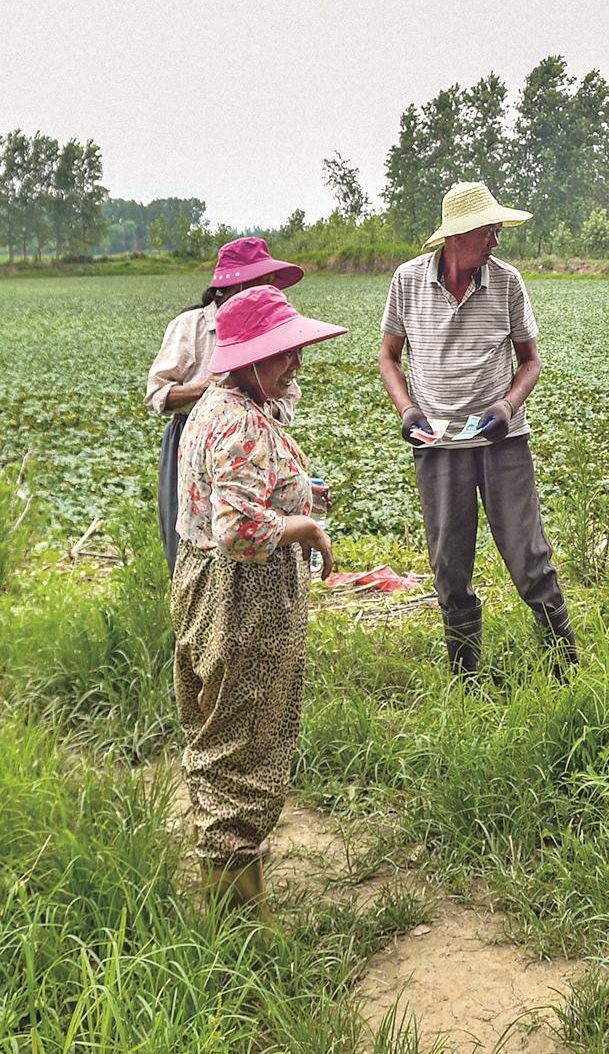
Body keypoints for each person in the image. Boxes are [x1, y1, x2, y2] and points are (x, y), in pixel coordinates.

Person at [172, 285, 345, 914]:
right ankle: (234, 920)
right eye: (282, 352)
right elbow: (240, 532)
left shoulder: (217, 407)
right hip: (244, 599)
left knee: (217, 732)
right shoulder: (242, 421)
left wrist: (297, 494)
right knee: (245, 744)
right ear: (244, 359)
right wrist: (306, 528)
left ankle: (227, 883)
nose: (295, 361)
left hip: (202, 585)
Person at [378, 181, 574, 677]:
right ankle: (466, 680)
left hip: (501, 439)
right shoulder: (407, 282)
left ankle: (566, 667)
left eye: (497, 230)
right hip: (436, 443)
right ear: (457, 236)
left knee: (528, 555)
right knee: (450, 562)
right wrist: (407, 411)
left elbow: (530, 362)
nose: (497, 240)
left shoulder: (506, 282)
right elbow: (388, 357)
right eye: (489, 230)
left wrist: (508, 407)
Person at [146, 237, 303, 574]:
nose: (270, 291)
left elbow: (288, 398)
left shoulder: (270, 327)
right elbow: (158, 394)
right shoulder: (191, 327)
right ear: (239, 286)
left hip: (254, 443)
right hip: (193, 435)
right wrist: (209, 390)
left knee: (256, 531)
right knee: (200, 536)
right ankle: (205, 596)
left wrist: (260, 417)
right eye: (263, 283)